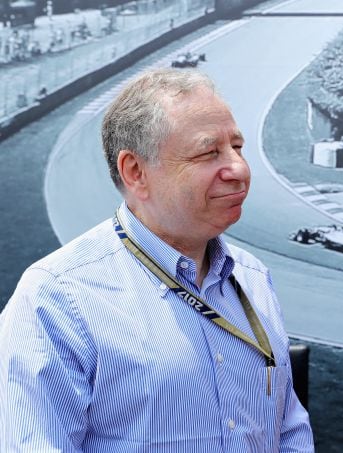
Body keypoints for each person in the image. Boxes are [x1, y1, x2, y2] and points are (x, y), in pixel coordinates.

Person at [0, 68, 314, 451]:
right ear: (135, 172)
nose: (239, 169)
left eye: (238, 147)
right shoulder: (58, 297)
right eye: (208, 152)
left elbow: (288, 431)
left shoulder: (252, 279)